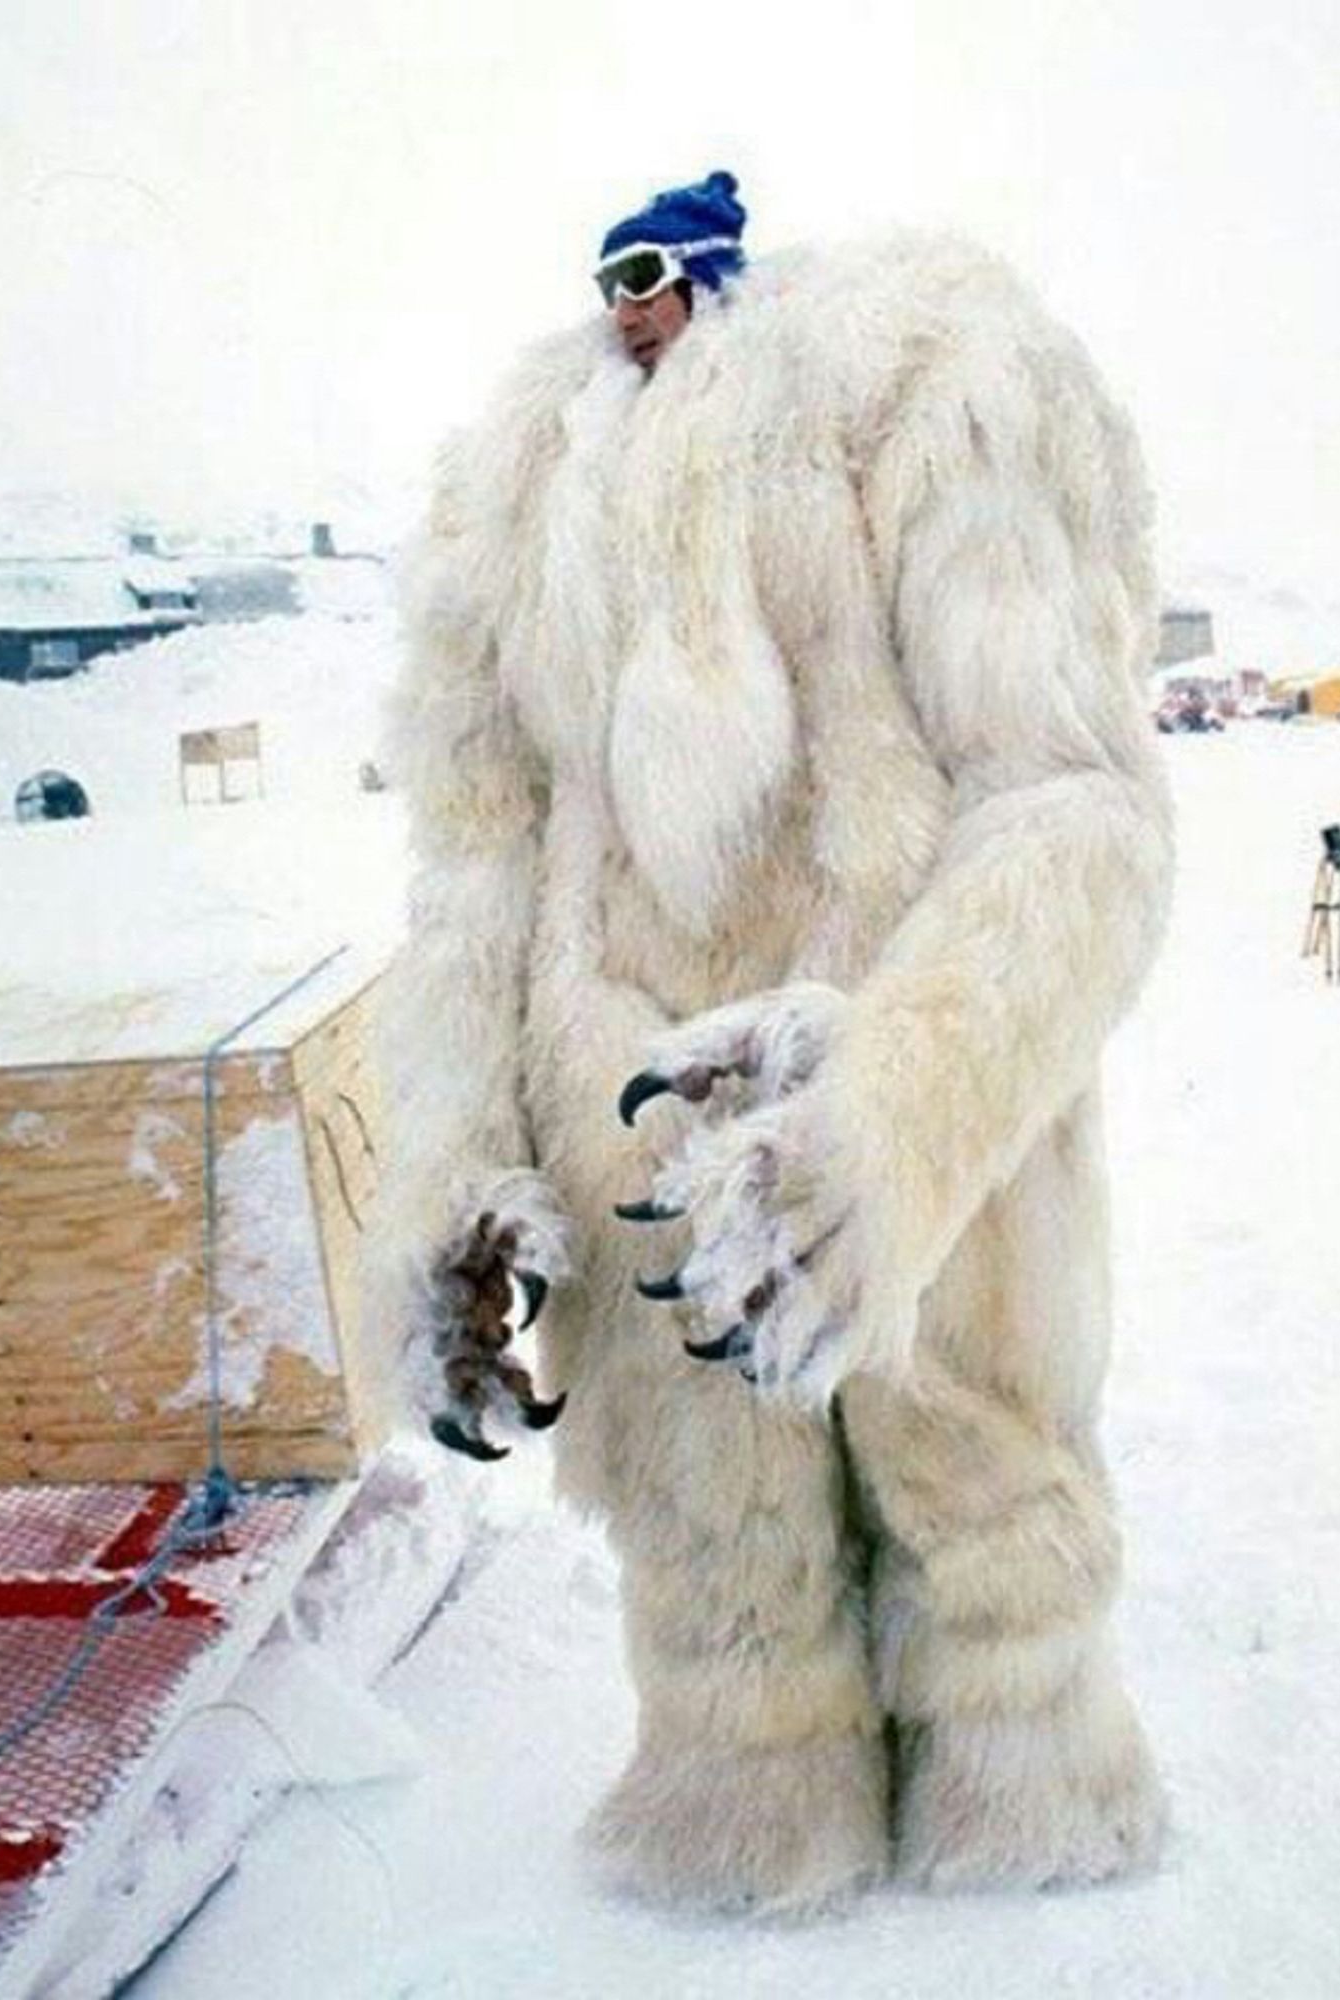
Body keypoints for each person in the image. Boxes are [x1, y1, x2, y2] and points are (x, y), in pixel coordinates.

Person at [380, 170, 1173, 1915]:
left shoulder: (930, 378)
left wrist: (899, 1116)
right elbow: (470, 868)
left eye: (654, 269)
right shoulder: (516, 491)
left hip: (886, 1068)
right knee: (714, 1565)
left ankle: (1026, 1786)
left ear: (721, 275)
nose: (625, 309)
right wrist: (447, 1172)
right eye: (603, 278)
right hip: (638, 1124)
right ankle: (752, 1806)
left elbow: (1075, 810)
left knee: (977, 1488)